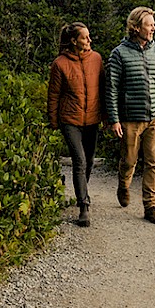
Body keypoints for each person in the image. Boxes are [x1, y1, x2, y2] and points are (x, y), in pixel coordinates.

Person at [106, 6, 155, 225]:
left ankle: (151, 206)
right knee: (129, 160)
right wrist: (114, 119)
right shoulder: (118, 53)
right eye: (149, 24)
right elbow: (111, 88)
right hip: (130, 118)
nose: (154, 27)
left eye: (153, 24)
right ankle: (124, 184)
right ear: (136, 27)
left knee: (153, 161)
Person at [48, 21, 105, 228]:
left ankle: (83, 192)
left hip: (92, 119)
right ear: (74, 41)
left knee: (88, 161)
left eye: (89, 37)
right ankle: (84, 206)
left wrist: (106, 117)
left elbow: (103, 89)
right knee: (79, 161)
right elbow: (53, 95)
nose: (89, 40)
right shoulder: (59, 64)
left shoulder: (97, 59)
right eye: (85, 37)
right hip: (70, 120)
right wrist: (53, 121)